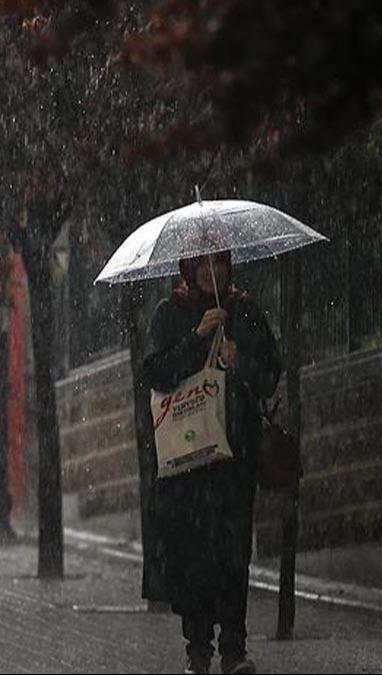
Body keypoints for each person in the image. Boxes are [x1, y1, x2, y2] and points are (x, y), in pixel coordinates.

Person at [143, 250, 281, 675]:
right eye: (201, 263)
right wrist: (197, 339)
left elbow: (271, 374)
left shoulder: (243, 310)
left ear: (228, 266)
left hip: (234, 459)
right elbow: (156, 372)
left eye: (218, 262)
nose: (210, 270)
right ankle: (198, 649)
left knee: (234, 553)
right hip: (189, 462)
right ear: (188, 268)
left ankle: (234, 649)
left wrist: (242, 362)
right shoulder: (171, 313)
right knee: (194, 557)